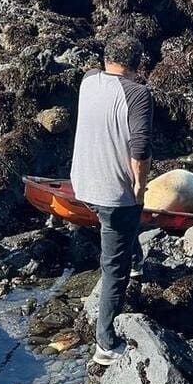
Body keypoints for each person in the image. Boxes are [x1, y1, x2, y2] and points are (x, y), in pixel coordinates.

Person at [71, 35, 154, 366]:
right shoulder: (138, 94)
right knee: (112, 267)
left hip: (83, 184)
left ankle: (135, 262)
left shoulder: (89, 79)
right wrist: (140, 187)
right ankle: (105, 343)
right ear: (137, 65)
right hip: (114, 194)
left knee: (122, 236)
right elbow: (140, 150)